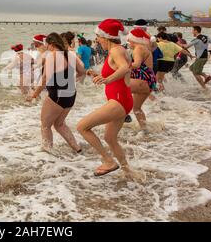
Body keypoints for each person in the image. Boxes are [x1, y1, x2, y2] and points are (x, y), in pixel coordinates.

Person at [77, 19, 133, 177]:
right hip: (121, 99)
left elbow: (123, 68)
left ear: (105, 37)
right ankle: (127, 170)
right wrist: (98, 76)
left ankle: (108, 161)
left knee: (82, 127)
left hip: (119, 100)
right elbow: (118, 73)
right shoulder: (117, 50)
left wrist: (107, 79)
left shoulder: (116, 50)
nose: (97, 40)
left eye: (98, 37)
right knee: (110, 138)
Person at [29, 33, 85, 153]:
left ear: (52, 44)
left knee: (45, 126)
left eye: (47, 45)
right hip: (70, 94)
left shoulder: (52, 56)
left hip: (57, 95)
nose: (47, 47)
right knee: (59, 124)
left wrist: (34, 94)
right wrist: (71, 80)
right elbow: (82, 71)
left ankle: (47, 153)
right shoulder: (70, 54)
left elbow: (44, 79)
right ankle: (77, 149)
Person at [127, 28, 157, 130]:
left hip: (143, 79)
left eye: (129, 40)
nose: (128, 42)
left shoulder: (138, 48)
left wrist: (123, 65)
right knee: (136, 108)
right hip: (149, 81)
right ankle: (145, 130)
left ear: (134, 40)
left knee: (117, 86)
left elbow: (136, 64)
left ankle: (122, 113)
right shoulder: (144, 48)